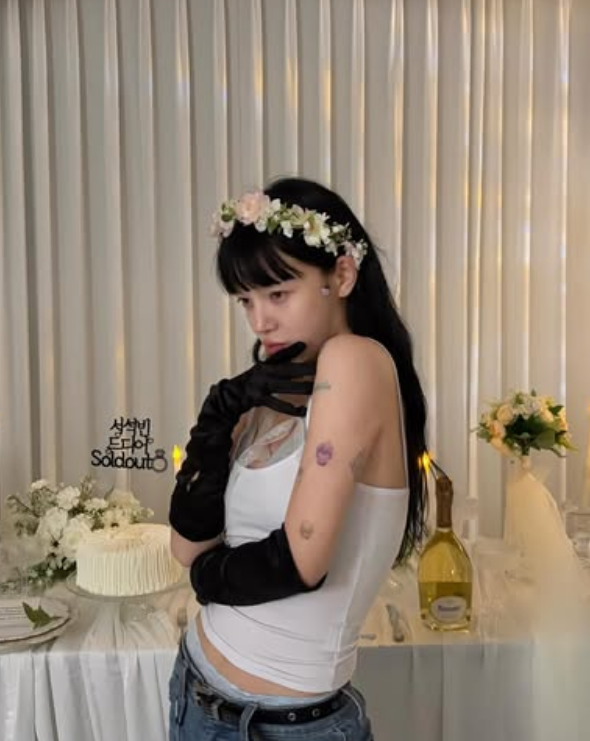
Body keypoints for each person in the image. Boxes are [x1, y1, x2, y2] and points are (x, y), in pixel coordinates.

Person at [168, 177, 428, 741]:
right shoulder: (271, 391)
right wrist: (216, 419)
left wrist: (205, 578)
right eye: (246, 300)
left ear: (342, 275)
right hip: (196, 692)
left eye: (278, 294)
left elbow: (299, 563)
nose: (259, 320)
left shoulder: (354, 360)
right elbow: (185, 545)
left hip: (281, 727)